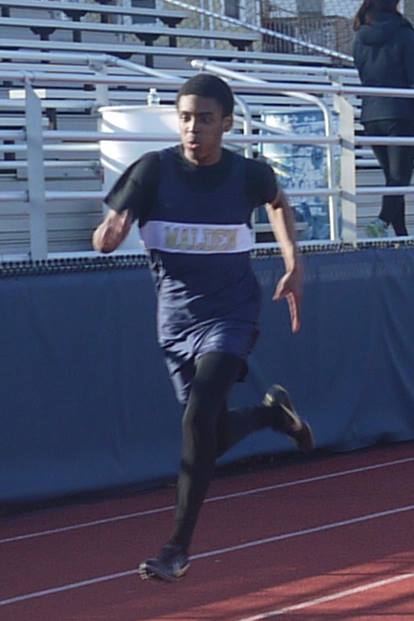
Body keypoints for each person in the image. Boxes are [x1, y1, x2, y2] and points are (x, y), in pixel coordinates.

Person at [92, 73, 314, 582]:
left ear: (227, 124)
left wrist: (293, 263)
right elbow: (108, 232)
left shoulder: (247, 174)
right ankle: (270, 416)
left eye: (205, 119)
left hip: (231, 313)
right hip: (175, 322)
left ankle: (176, 549)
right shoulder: (151, 171)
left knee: (196, 422)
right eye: (186, 118)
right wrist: (110, 232)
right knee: (207, 434)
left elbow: (279, 202)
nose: (193, 129)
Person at [353, 0, 414, 237]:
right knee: (399, 178)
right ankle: (381, 221)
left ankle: (401, 234)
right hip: (401, 114)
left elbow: (361, 71)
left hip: (371, 114)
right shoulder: (404, 33)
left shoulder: (360, 35)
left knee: (392, 179)